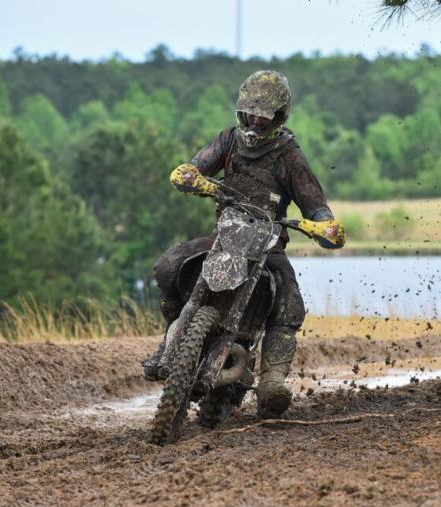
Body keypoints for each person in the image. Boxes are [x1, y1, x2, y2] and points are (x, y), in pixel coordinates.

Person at [143, 70, 345, 417]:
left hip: (270, 246)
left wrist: (324, 225)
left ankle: (272, 383)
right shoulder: (228, 141)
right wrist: (191, 175)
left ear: (279, 115)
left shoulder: (289, 155)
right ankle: (170, 338)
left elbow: (315, 203)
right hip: (225, 234)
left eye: (264, 115)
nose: (256, 120)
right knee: (170, 265)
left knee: (289, 302)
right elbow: (194, 166)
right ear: (241, 111)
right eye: (251, 113)